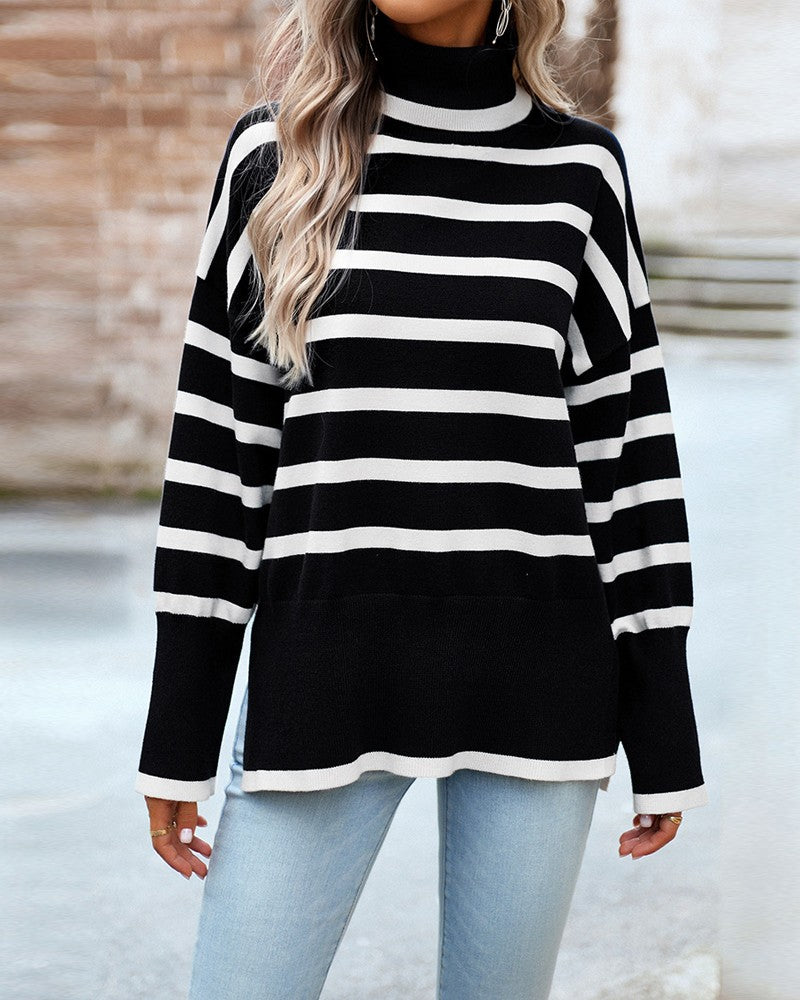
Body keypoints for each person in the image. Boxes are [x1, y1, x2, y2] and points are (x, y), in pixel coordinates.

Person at [134, 1, 709, 997]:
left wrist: (663, 728)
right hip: (322, 672)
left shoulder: (580, 173)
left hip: (540, 677)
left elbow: (627, 460)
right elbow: (219, 464)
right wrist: (178, 735)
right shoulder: (275, 156)